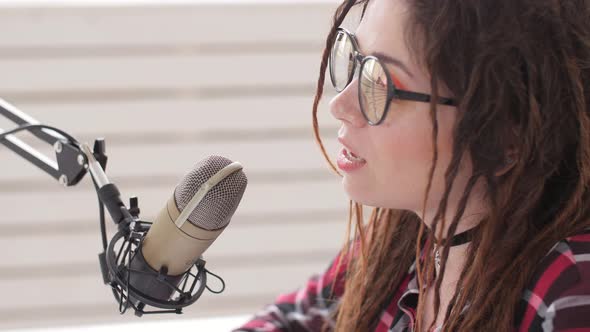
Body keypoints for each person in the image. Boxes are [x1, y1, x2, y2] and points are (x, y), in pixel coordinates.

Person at [233, 0, 590, 331]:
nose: (341, 105)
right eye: (356, 61)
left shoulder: (570, 288)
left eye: (381, 84)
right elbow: (290, 320)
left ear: (502, 138)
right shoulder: (401, 241)